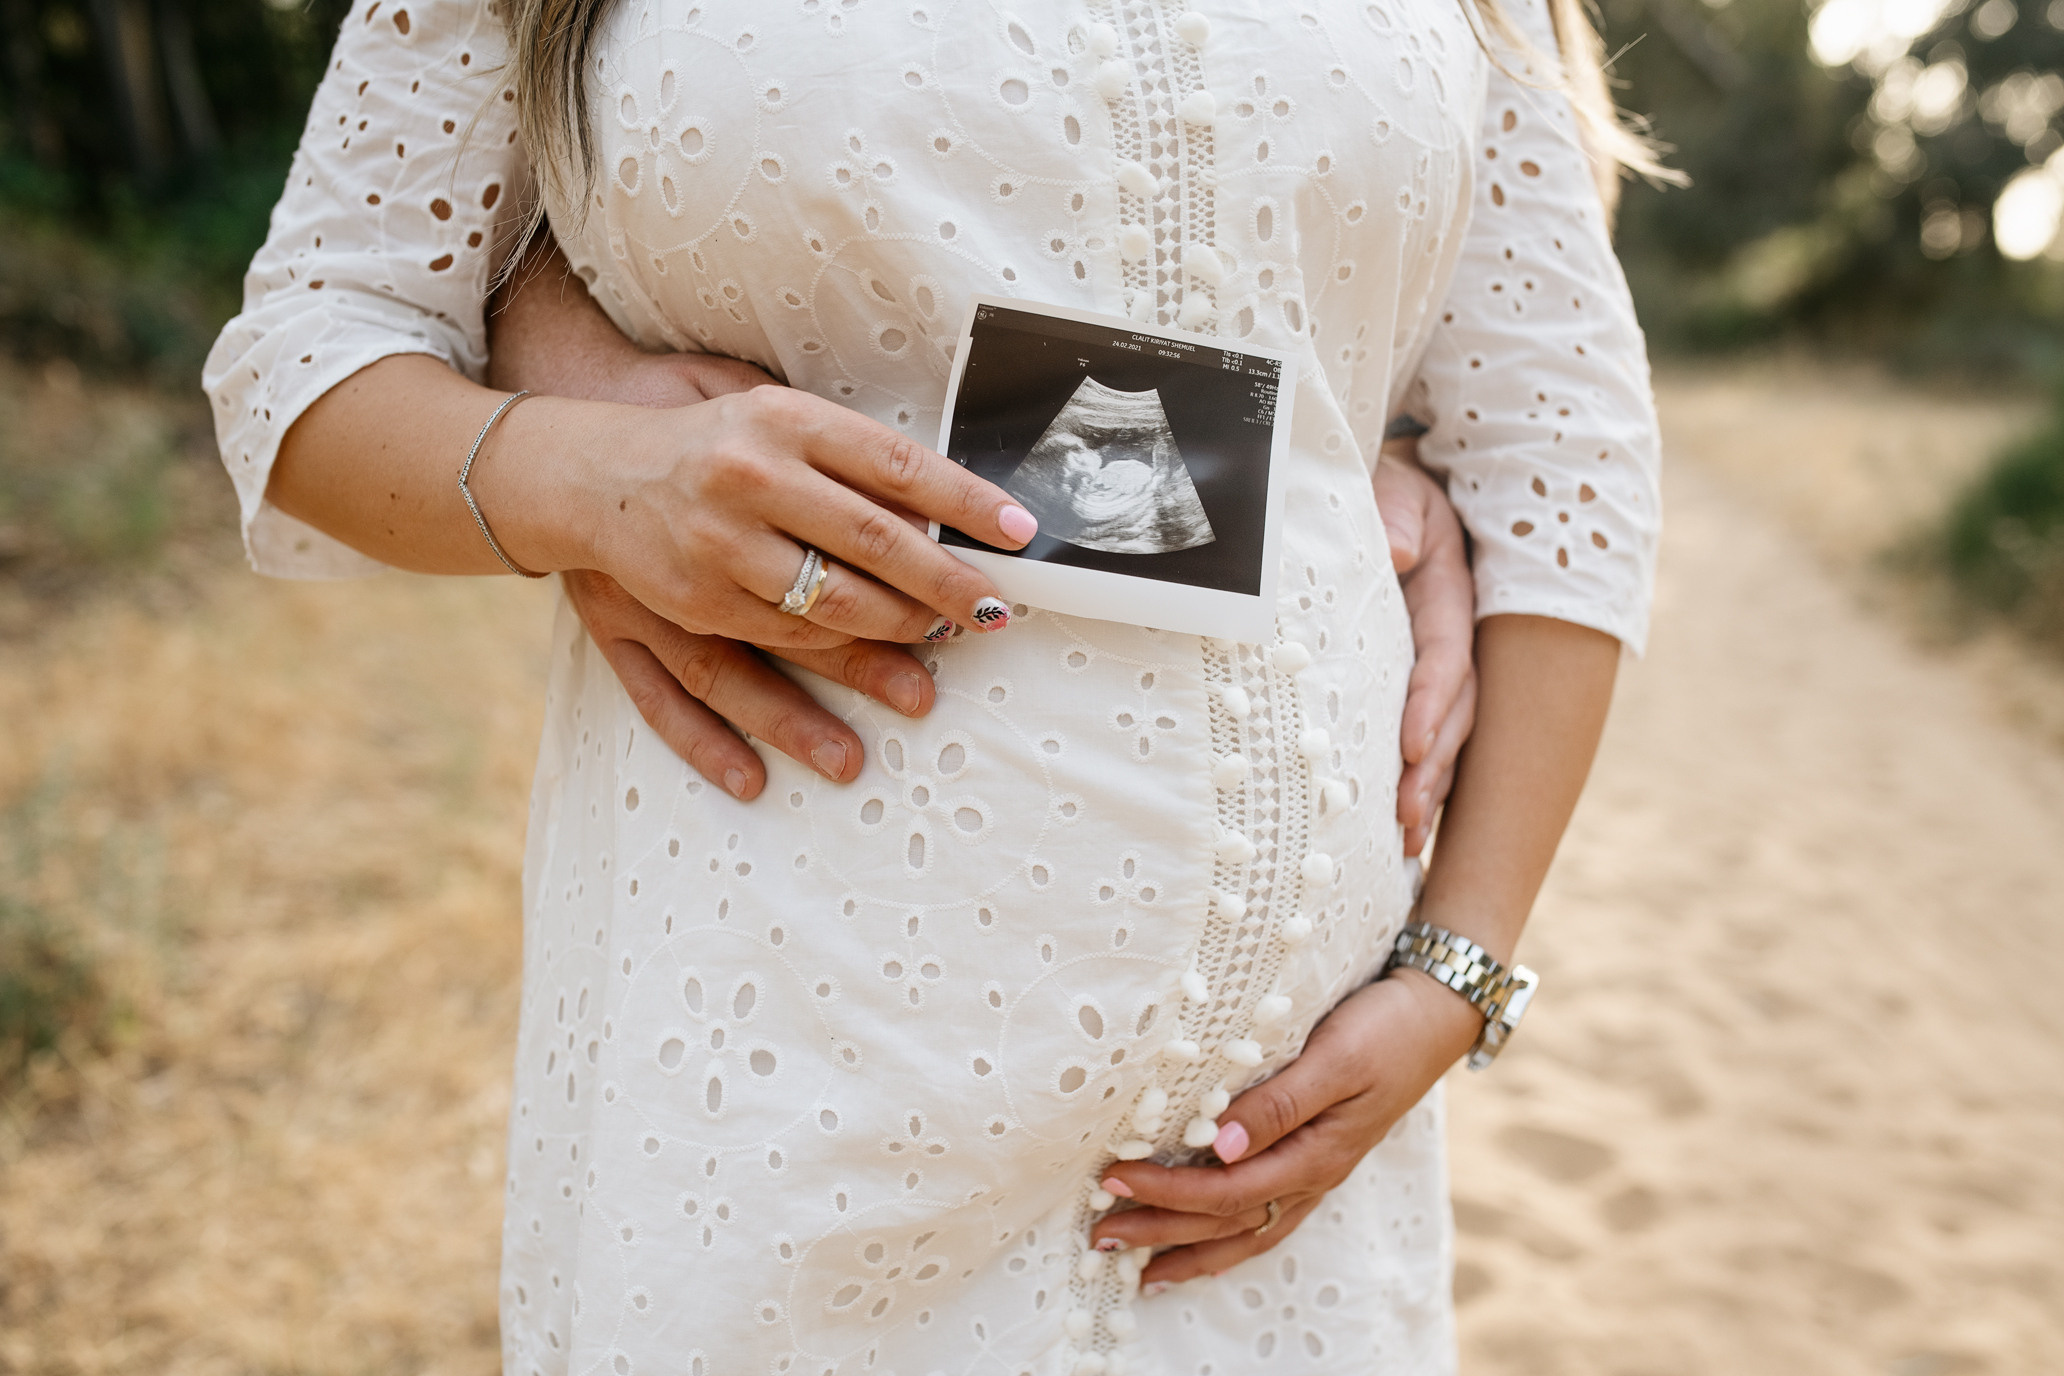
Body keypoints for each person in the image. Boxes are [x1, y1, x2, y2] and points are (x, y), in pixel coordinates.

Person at [203, 0, 1661, 1370]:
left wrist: (1456, 974)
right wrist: (589, 478)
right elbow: (317, 341)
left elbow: (1557, 432)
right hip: (790, 1078)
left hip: (1280, 1177)